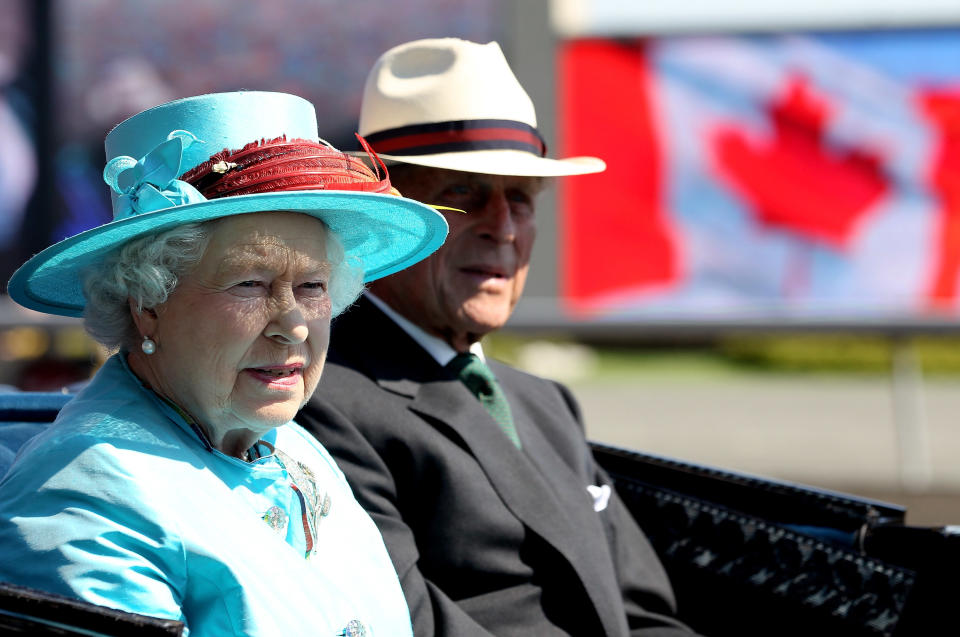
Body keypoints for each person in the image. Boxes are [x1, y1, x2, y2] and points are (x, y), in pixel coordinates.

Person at [0, 91, 449, 636]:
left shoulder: (295, 446)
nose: (294, 323)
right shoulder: (84, 493)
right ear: (147, 304)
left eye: (312, 286)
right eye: (250, 284)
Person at [298, 39, 698, 636]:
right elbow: (405, 623)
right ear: (388, 215)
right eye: (463, 191)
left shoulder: (545, 402)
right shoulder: (316, 397)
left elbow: (643, 614)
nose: (503, 228)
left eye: (520, 197)